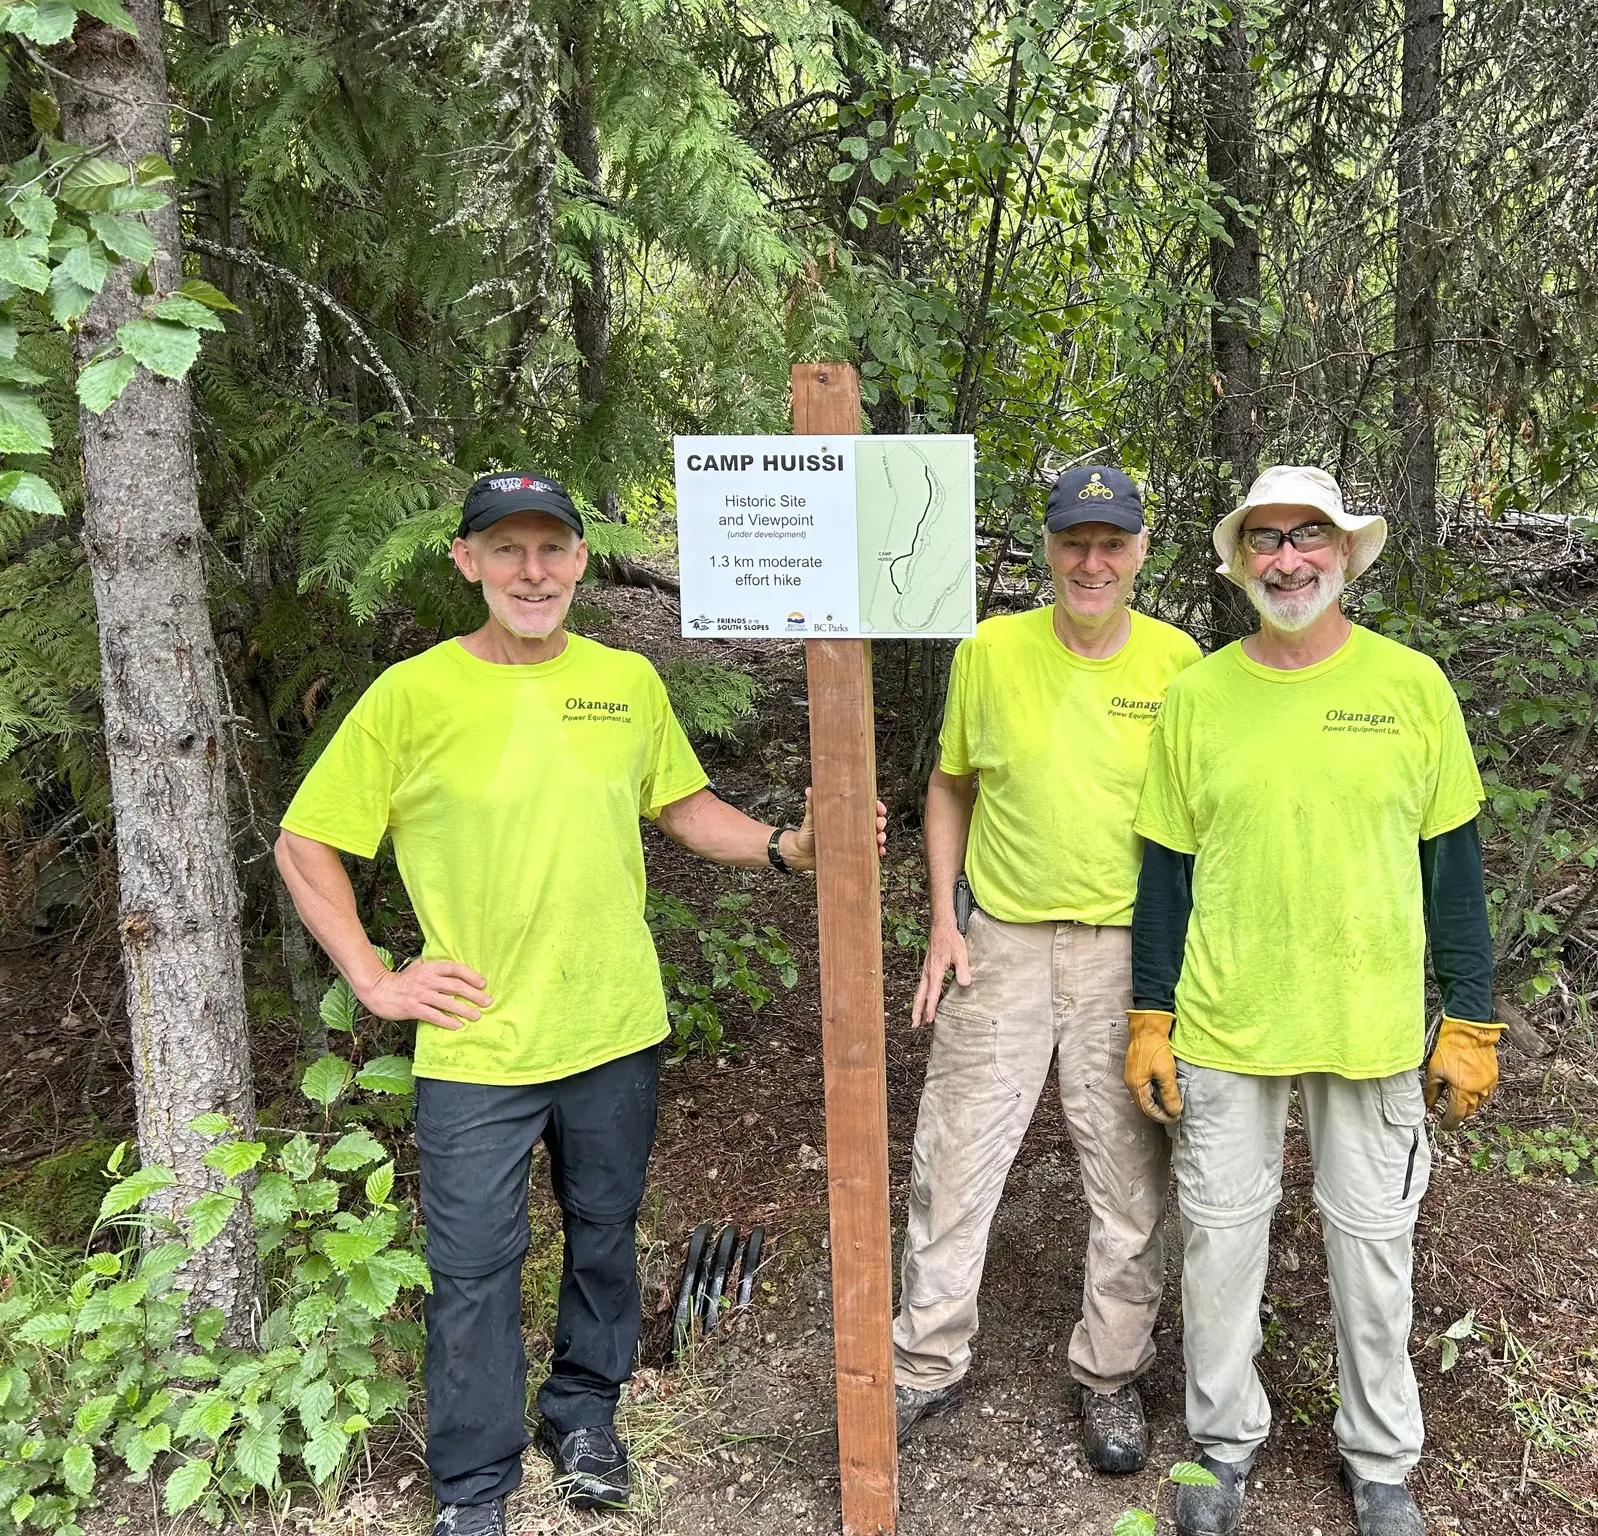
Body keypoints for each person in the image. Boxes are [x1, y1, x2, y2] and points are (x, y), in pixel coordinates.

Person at [274, 472, 883, 1536]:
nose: (532, 571)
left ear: (581, 562)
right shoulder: (412, 695)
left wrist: (787, 849)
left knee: (604, 1230)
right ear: (464, 562)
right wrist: (375, 977)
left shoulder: (626, 680)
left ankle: (584, 1414)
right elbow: (303, 840)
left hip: (612, 1026)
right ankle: (473, 1485)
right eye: (505, 550)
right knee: (472, 1267)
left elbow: (685, 808)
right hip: (475, 1043)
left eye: (551, 549)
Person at [1123, 465, 1498, 1536]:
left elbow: (1452, 868)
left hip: (1367, 1021)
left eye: (1309, 538)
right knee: (1219, 1240)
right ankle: (1218, 1448)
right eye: (1266, 541)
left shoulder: (1410, 686)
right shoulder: (1197, 696)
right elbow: (1163, 874)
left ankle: (1380, 1462)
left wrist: (1467, 1018)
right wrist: (1152, 1017)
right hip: (1226, 1020)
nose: (1287, 560)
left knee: (1372, 1249)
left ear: (1344, 554)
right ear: (1240, 561)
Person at [894, 465, 1203, 1472]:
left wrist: (1182, 972)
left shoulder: (1177, 664)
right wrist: (945, 921)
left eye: (1111, 543)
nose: (1091, 561)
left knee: (1128, 1172)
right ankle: (923, 1362)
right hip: (1004, 942)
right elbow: (949, 788)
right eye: (1074, 541)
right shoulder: (991, 650)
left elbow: (1200, 829)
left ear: (1140, 553)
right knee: (956, 1155)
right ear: (1049, 547)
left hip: (1127, 953)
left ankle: (1110, 1376)